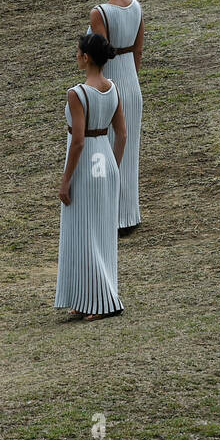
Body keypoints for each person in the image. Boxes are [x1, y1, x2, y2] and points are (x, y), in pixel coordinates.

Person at [55, 33, 128, 322]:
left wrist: (65, 180)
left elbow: (78, 141)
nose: (76, 56)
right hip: (106, 163)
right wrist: (114, 168)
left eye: (77, 52)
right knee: (99, 232)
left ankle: (103, 301)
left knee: (84, 231)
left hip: (87, 166)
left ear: (86, 58)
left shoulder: (77, 93)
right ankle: (87, 298)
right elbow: (121, 134)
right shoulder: (114, 89)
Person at [90, 0, 144, 236]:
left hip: (109, 83)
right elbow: (137, 50)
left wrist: (99, 88)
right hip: (130, 83)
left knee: (110, 148)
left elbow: (100, 54)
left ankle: (112, 215)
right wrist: (130, 78)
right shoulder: (136, 7)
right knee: (128, 146)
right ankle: (128, 214)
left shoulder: (99, 12)